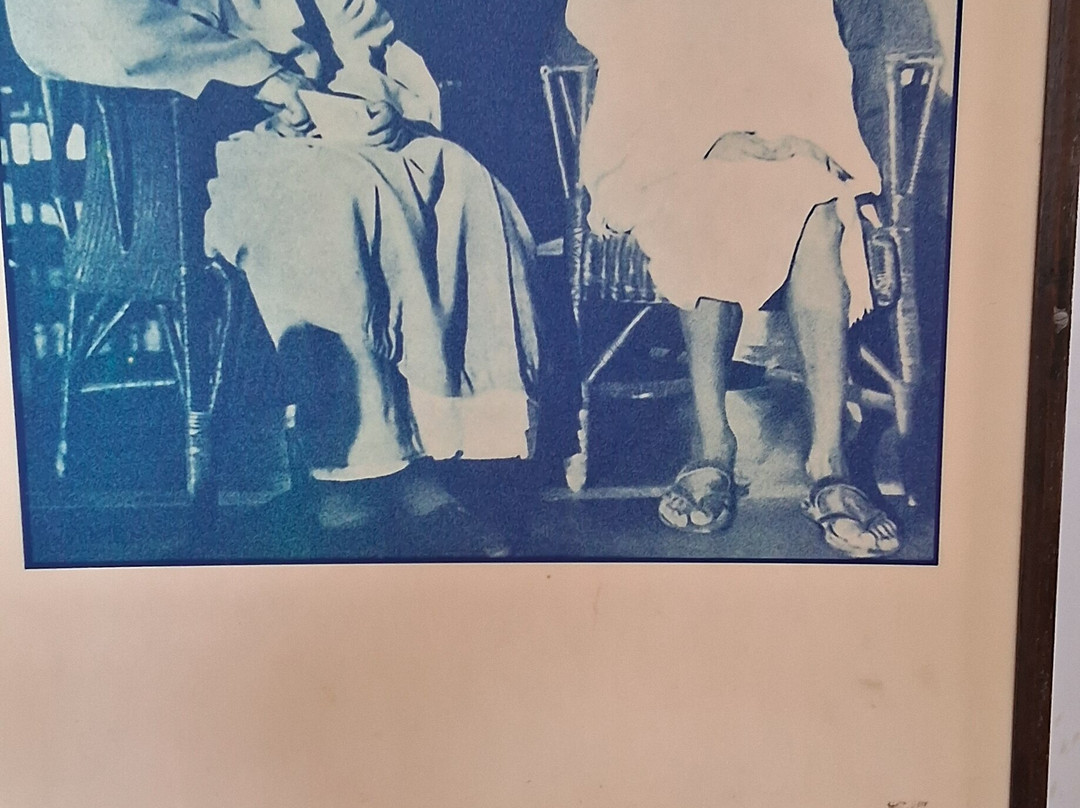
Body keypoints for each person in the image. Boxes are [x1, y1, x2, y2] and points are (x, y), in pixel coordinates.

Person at [5, 0, 540, 548]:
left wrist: (369, 95)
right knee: (331, 200)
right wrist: (257, 75)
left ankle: (430, 448)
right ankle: (351, 472)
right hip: (181, 156)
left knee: (457, 179)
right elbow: (102, 21)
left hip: (309, 125)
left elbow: (356, 25)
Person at [564, 0, 920, 557]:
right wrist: (703, 141)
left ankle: (829, 463)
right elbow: (629, 61)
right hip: (676, 161)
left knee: (819, 205)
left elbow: (817, 62)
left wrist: (808, 140)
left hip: (787, 151)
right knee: (705, 201)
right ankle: (712, 447)